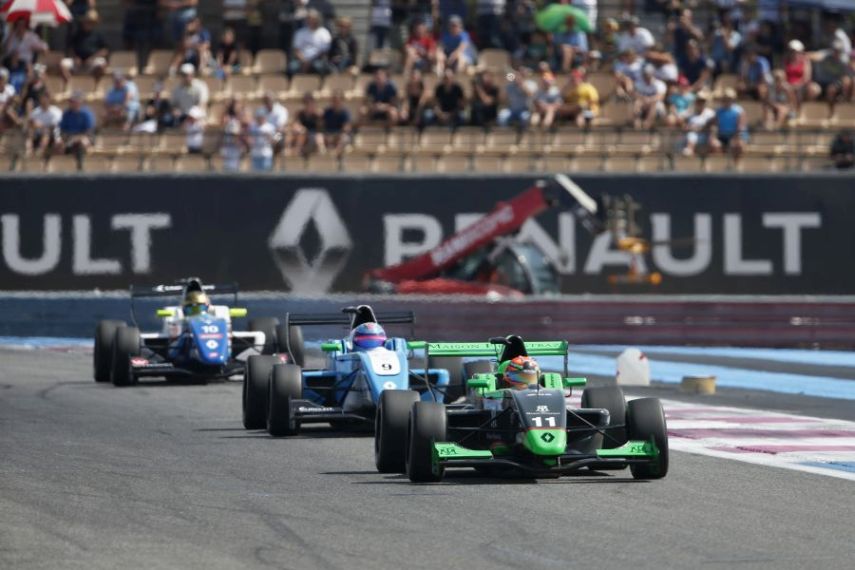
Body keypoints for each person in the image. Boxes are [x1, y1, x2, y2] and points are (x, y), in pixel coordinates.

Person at [62, 10, 109, 84]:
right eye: (86, 22)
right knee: (63, 64)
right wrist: (75, 57)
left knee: (102, 65)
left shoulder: (98, 35)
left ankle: (96, 86)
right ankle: (69, 85)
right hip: (77, 62)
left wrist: (92, 58)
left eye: (90, 22)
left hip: (92, 61)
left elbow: (105, 50)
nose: (87, 24)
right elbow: (71, 48)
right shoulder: (77, 34)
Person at [288, 9, 331, 76]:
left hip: (317, 59)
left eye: (313, 19)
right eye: (309, 19)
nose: (311, 21)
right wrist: (304, 60)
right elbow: (296, 50)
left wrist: (310, 61)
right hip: (301, 59)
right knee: (292, 67)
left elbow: (324, 51)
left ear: (317, 20)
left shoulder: (324, 32)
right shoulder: (300, 32)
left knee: (319, 67)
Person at [810, 39, 852, 106]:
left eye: (838, 50)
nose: (836, 52)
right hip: (821, 83)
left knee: (832, 89)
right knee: (812, 89)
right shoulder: (825, 55)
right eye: (835, 50)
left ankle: (833, 111)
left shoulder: (843, 61)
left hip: (835, 84)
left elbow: (847, 76)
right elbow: (812, 56)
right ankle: (812, 111)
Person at [709, 88, 747, 160]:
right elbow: (714, 126)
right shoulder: (718, 111)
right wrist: (713, 138)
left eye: (729, 99)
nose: (727, 100)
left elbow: (740, 127)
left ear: (733, 99)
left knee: (738, 146)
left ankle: (736, 166)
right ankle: (720, 165)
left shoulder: (739, 111)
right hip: (722, 136)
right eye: (725, 99)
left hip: (735, 136)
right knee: (714, 145)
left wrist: (736, 138)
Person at [58, 91, 96, 163]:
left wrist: (77, 138)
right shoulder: (67, 113)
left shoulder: (86, 113)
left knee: (80, 144)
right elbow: (62, 129)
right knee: (58, 145)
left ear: (79, 102)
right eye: (71, 101)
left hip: (85, 137)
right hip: (70, 137)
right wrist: (63, 139)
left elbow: (89, 131)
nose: (71, 103)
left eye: (73, 101)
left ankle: (80, 168)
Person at [681, 90, 715, 157]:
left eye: (702, 101)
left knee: (692, 135)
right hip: (691, 136)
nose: (700, 103)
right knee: (691, 135)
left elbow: (711, 126)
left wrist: (697, 128)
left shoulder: (710, 113)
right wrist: (691, 128)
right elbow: (684, 126)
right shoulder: (689, 112)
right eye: (699, 101)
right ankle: (689, 150)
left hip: (706, 136)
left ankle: (690, 150)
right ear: (696, 102)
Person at [28, 92, 62, 157]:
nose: (44, 101)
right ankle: (29, 153)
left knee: (46, 135)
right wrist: (34, 125)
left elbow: (54, 127)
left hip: (54, 136)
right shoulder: (35, 112)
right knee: (29, 135)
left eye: (45, 99)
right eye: (42, 99)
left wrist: (41, 126)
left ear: (49, 100)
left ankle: (39, 152)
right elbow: (31, 124)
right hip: (38, 135)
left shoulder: (56, 112)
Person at [632, 64, 666, 129]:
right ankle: (636, 124)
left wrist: (649, 100)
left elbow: (660, 97)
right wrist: (643, 99)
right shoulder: (639, 83)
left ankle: (647, 125)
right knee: (637, 103)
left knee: (653, 104)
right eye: (645, 74)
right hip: (643, 103)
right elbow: (635, 94)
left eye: (648, 74)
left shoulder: (659, 84)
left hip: (657, 106)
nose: (647, 76)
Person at [292, 92, 324, 156]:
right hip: (303, 134)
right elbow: (295, 125)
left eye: (309, 102)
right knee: (301, 135)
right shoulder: (300, 113)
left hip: (315, 133)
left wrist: (318, 117)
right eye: (306, 102)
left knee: (319, 137)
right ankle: (296, 155)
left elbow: (321, 127)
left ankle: (322, 158)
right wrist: (300, 128)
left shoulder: (318, 114)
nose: (308, 104)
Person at [322, 90, 352, 155]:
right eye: (333, 100)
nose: (335, 102)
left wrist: (337, 136)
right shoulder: (327, 111)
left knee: (343, 137)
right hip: (329, 134)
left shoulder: (346, 112)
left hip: (340, 135)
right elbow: (323, 126)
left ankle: (336, 154)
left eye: (337, 100)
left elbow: (346, 128)